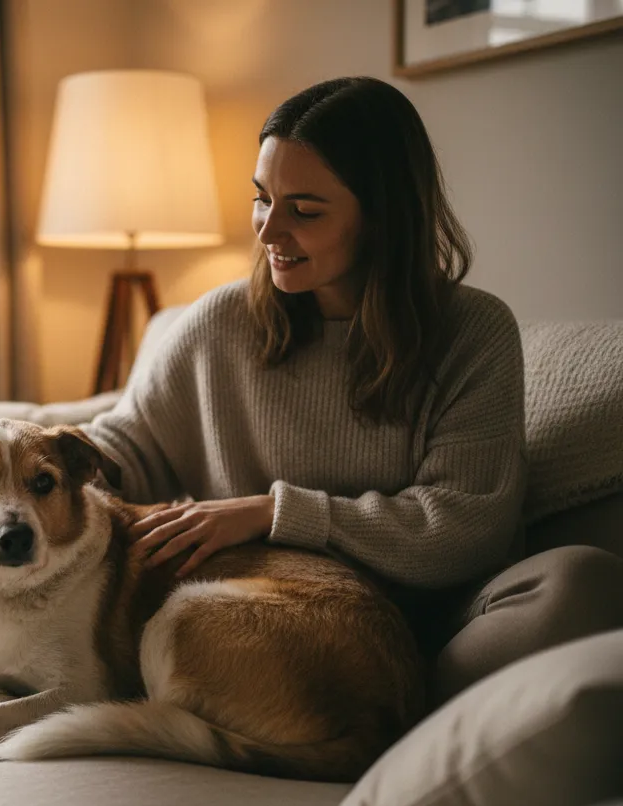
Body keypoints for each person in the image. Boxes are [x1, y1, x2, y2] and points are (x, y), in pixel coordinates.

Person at [81, 76, 623, 706]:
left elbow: (462, 526)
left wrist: (273, 512)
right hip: (270, 615)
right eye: (262, 199)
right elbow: (127, 449)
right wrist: (24, 456)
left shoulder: (474, 332)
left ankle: (379, 705)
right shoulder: (218, 322)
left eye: (304, 211)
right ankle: (344, 708)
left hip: (435, 628)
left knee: (580, 581)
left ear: (382, 217)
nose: (268, 231)